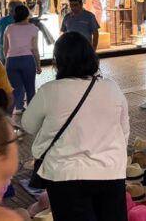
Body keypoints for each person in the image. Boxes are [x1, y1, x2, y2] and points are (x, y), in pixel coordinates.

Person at [22, 32, 129, 221]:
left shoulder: (49, 91)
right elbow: (124, 131)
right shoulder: (111, 87)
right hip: (110, 171)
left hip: (65, 175)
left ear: (59, 61)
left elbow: (28, 125)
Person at [3, 5, 40, 115]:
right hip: (27, 61)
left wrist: (7, 61)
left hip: (11, 61)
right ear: (27, 14)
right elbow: (34, 49)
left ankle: (10, 114)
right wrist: (38, 65)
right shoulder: (33, 28)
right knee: (30, 88)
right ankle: (31, 114)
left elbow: (5, 48)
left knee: (15, 90)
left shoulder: (9, 28)